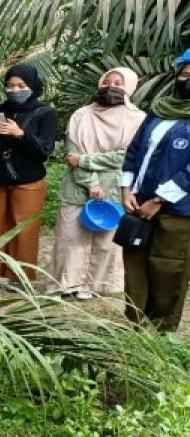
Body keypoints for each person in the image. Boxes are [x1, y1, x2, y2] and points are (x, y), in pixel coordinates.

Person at [51, 68, 146, 299]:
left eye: (118, 83)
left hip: (116, 186)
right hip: (77, 184)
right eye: (107, 81)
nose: (111, 87)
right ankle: (66, 284)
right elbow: (73, 153)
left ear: (129, 88)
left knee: (106, 240)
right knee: (70, 236)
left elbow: (126, 156)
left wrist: (86, 160)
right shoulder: (81, 115)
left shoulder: (138, 119)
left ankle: (97, 285)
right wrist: (91, 182)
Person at [0, 64, 58, 289]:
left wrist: (20, 134)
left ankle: (20, 277)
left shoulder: (45, 113)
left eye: (21, 85)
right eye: (10, 86)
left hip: (27, 179)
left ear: (33, 86)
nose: (14, 90)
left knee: (24, 229)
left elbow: (44, 149)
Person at [120, 49, 190, 332]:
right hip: (138, 202)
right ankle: (136, 323)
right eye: (184, 74)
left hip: (178, 210)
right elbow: (135, 149)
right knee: (135, 262)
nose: (186, 79)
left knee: (168, 266)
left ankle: (163, 329)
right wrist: (127, 188)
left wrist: (160, 199)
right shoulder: (159, 110)